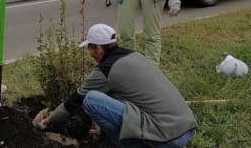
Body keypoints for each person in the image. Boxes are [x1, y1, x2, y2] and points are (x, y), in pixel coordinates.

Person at [33, 23, 197, 147]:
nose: (90, 55)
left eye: (90, 50)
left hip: (167, 138)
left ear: (98, 49)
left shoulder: (106, 69)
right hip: (186, 128)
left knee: (91, 99)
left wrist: (48, 121)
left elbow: (75, 101)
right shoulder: (134, 56)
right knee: (112, 96)